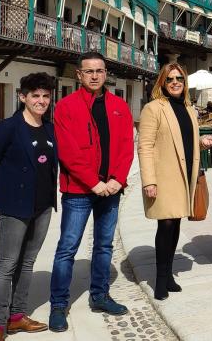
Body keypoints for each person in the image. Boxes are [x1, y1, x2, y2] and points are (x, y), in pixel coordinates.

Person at [48, 51, 134, 332]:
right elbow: (68, 152)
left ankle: (99, 295)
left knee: (104, 245)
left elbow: (125, 147)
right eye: (89, 71)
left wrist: (117, 180)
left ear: (106, 73)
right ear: (79, 75)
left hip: (110, 188)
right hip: (79, 191)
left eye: (99, 71)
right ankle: (59, 305)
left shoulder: (120, 106)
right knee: (67, 248)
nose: (95, 76)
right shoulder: (65, 107)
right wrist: (92, 182)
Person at [0, 73, 57, 341]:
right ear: (22, 97)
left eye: (46, 96)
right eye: (35, 95)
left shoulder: (49, 127)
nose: (41, 101)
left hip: (43, 207)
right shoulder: (9, 127)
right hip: (15, 207)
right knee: (7, 264)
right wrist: (5, 194)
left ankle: (17, 317)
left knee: (27, 263)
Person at [138, 63, 212, 300]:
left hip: (185, 174)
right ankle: (160, 279)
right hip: (164, 176)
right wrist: (149, 180)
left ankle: (169, 274)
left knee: (176, 225)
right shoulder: (153, 108)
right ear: (162, 82)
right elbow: (144, 146)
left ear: (184, 81)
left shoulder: (188, 108)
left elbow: (185, 138)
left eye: (179, 78)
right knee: (166, 225)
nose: (174, 82)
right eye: (170, 79)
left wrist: (203, 142)